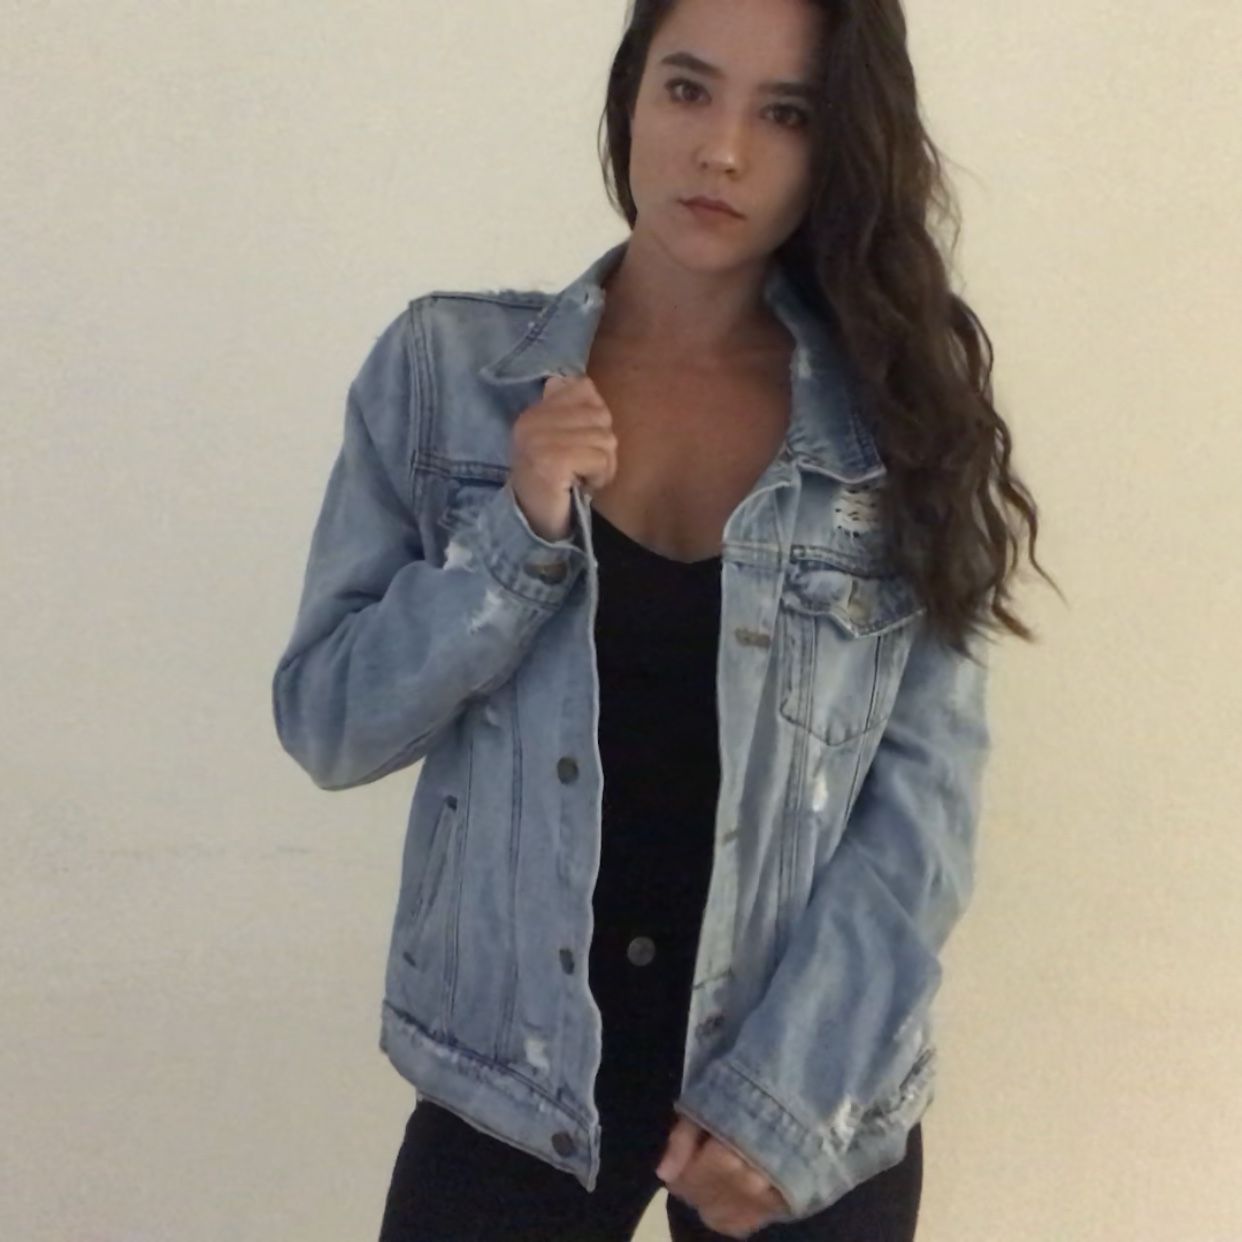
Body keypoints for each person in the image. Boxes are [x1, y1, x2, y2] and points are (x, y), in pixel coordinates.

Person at [271, 0, 1059, 1238]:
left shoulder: (897, 420)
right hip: (511, 1081)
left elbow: (924, 814)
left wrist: (785, 1107)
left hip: (797, 1098)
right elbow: (331, 722)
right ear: (631, 93)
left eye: (785, 114)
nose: (722, 150)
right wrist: (515, 533)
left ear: (840, 145)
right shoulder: (447, 374)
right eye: (688, 89)